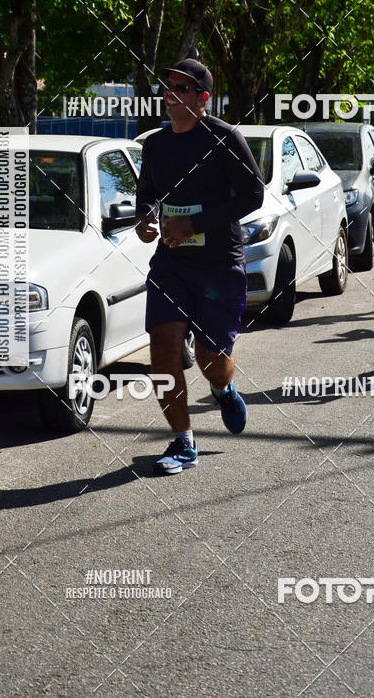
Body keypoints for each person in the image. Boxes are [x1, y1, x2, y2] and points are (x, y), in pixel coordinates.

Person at [135, 58, 265, 474]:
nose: (170, 93)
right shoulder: (155, 145)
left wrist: (195, 222)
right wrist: (144, 220)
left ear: (203, 98)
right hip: (172, 265)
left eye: (181, 88)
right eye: (167, 86)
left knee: (211, 358)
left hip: (218, 266)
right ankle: (183, 441)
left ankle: (223, 387)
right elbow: (147, 194)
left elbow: (253, 195)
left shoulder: (225, 138)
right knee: (162, 352)